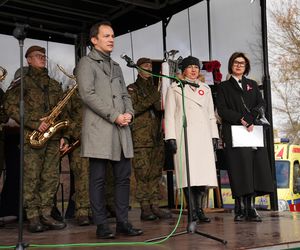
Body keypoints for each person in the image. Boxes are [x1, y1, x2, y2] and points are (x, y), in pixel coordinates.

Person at [76, 21, 143, 239]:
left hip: (121, 129)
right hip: (100, 129)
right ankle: (101, 225)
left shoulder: (116, 66)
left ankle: (123, 222)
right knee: (98, 179)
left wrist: (129, 113)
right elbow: (87, 95)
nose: (111, 39)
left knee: (123, 178)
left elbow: (125, 95)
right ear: (94, 40)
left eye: (113, 35)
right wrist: (115, 115)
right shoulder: (86, 63)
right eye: (106, 36)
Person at [4, 45, 68, 233]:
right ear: (28, 60)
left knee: (50, 178)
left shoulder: (55, 84)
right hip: (32, 138)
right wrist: (33, 123)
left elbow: (64, 111)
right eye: (38, 56)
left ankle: (46, 214)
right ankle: (32, 217)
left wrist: (64, 135)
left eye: (43, 56)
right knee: (31, 179)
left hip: (53, 139)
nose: (42, 58)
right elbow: (9, 106)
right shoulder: (22, 83)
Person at [216, 52, 274, 222]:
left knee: (255, 168)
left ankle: (251, 207)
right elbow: (222, 109)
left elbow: (261, 103)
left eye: (242, 63)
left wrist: (251, 116)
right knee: (240, 168)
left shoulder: (252, 84)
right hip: (235, 131)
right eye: (236, 62)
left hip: (252, 131)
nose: (239, 65)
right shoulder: (224, 86)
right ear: (231, 65)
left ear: (246, 66)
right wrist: (240, 118)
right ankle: (240, 207)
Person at [164, 56, 219, 223]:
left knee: (202, 175)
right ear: (183, 70)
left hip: (203, 136)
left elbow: (211, 114)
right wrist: (171, 138)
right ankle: (192, 210)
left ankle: (200, 210)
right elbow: (169, 116)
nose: (194, 70)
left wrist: (214, 135)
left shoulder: (206, 89)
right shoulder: (175, 88)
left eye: (196, 67)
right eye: (190, 67)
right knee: (189, 174)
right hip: (184, 137)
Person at [127, 57, 172, 221]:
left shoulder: (157, 88)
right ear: (138, 69)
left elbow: (161, 107)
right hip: (141, 139)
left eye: (150, 66)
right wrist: (152, 99)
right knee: (142, 174)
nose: (148, 68)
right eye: (145, 66)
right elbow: (133, 109)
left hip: (157, 138)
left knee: (155, 174)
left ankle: (155, 205)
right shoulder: (132, 88)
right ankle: (145, 207)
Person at [63, 82, 90, 226]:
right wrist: (77, 133)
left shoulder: (95, 92)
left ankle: (94, 211)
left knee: (98, 178)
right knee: (82, 178)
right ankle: (82, 212)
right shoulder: (70, 95)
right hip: (78, 143)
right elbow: (65, 119)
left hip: (96, 141)